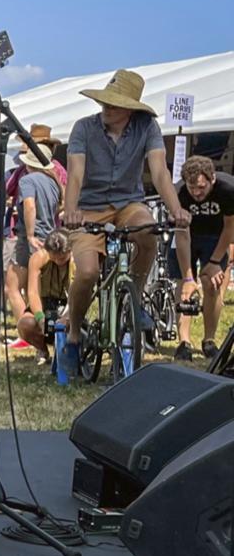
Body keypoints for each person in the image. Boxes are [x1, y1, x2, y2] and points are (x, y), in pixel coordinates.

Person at [61, 70, 190, 376]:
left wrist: (176, 209)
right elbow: (75, 174)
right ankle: (74, 333)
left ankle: (135, 296)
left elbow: (159, 171)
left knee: (149, 232)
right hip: (89, 208)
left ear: (131, 109)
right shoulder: (84, 128)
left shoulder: (147, 127)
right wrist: (70, 210)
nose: (107, 109)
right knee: (89, 271)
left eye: (114, 105)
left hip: (129, 203)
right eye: (105, 103)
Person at [171, 155, 234, 360]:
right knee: (183, 287)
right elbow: (181, 235)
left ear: (212, 179)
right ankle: (184, 341)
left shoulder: (227, 190)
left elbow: (230, 228)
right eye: (192, 188)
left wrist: (215, 262)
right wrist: (189, 278)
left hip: (216, 236)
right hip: (187, 235)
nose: (197, 193)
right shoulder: (178, 193)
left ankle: (209, 340)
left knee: (211, 284)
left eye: (201, 187)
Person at [4, 149, 64, 324]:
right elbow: (60, 207)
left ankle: (28, 328)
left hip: (31, 238)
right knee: (40, 288)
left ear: (28, 164)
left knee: (13, 287)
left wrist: (30, 234)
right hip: (50, 236)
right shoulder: (54, 182)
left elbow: (29, 205)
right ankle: (43, 327)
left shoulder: (27, 180)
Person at [15, 229, 72, 363]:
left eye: (62, 258)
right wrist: (40, 318)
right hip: (46, 303)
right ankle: (42, 349)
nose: (58, 261)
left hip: (68, 305)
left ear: (70, 251)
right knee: (25, 324)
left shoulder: (75, 260)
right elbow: (33, 292)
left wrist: (67, 316)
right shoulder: (38, 258)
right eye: (54, 257)